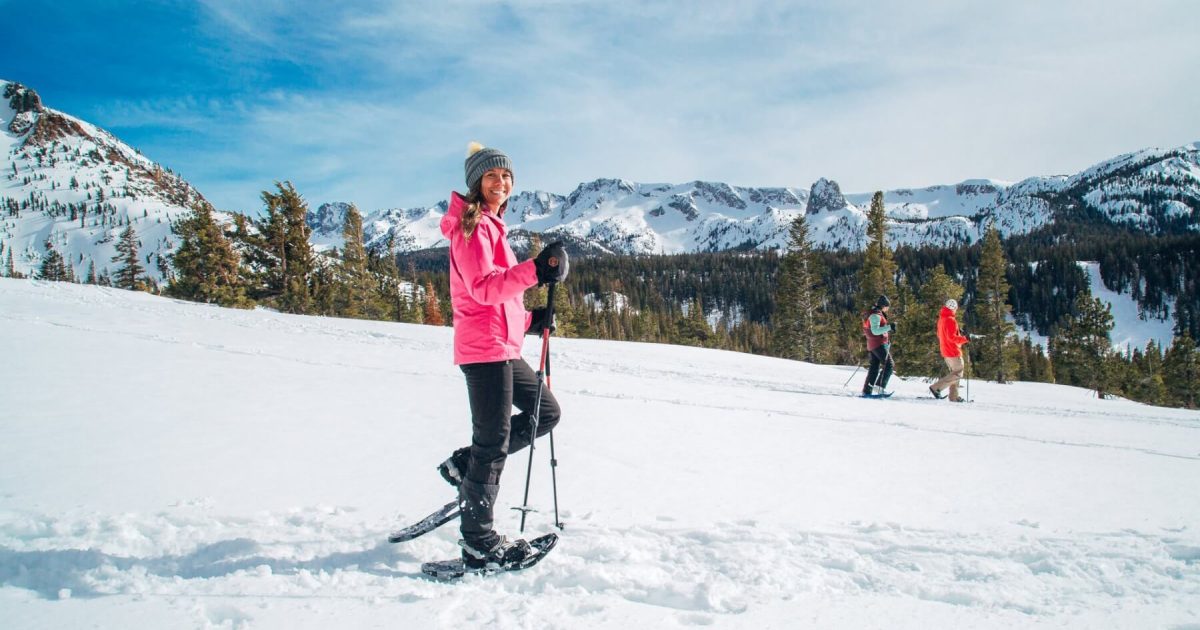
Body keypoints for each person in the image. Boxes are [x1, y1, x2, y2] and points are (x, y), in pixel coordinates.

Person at [435, 141, 568, 570]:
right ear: (476, 182)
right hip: (484, 350)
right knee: (491, 443)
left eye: (507, 176)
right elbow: (484, 288)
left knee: (544, 413)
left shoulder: (492, 226)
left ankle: (465, 467)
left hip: (502, 345)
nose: (502, 182)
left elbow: (498, 298)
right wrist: (536, 270)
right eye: (492, 175)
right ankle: (479, 543)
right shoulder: (472, 227)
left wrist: (530, 319)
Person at [930, 298, 969, 402]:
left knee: (954, 373)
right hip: (952, 351)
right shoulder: (951, 320)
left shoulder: (942, 319)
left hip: (945, 350)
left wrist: (958, 333)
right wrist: (965, 338)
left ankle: (954, 397)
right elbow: (952, 338)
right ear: (954, 308)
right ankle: (936, 388)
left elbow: (940, 334)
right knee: (958, 373)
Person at [861, 295, 895, 396]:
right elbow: (875, 331)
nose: (888, 309)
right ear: (884, 306)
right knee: (889, 365)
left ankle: (867, 390)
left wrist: (889, 329)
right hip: (878, 344)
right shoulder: (875, 315)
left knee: (874, 367)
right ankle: (880, 386)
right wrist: (889, 327)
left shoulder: (875, 313)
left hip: (873, 344)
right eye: (887, 306)